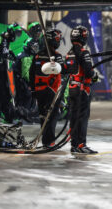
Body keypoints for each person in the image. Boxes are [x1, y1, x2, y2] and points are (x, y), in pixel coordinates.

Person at [65, 26, 98, 154]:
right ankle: (81, 144)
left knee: (74, 117)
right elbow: (89, 73)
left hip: (72, 89)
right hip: (82, 90)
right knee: (82, 118)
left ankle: (74, 144)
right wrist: (94, 76)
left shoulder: (69, 53)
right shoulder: (84, 52)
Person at [29, 28, 64, 148]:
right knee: (53, 115)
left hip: (39, 90)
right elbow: (64, 71)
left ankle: (45, 140)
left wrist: (33, 89)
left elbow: (31, 72)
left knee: (43, 115)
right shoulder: (57, 56)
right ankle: (49, 141)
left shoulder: (37, 55)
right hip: (52, 91)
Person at [0, 23, 22, 119]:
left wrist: (11, 53)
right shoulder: (0, 38)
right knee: (0, 91)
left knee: (8, 91)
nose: (16, 35)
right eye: (16, 33)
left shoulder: (7, 40)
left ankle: (8, 114)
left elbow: (5, 49)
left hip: (6, 69)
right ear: (11, 32)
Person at [13, 38, 39, 117]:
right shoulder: (26, 57)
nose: (35, 49)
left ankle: (21, 115)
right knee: (27, 95)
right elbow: (26, 74)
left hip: (16, 80)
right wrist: (33, 82)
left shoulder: (23, 54)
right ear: (28, 47)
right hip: (19, 80)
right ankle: (24, 115)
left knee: (21, 97)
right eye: (34, 47)